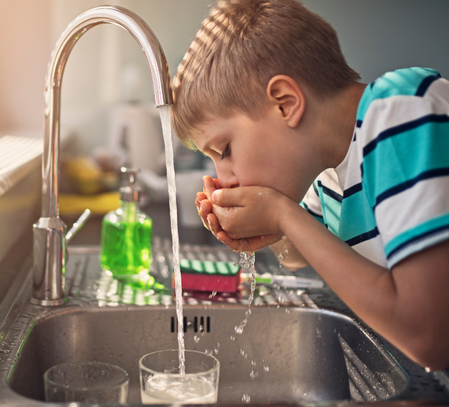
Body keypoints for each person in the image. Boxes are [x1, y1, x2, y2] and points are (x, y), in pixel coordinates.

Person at [171, 0, 449, 370]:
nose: (223, 178)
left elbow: (428, 337)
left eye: (224, 150)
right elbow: (299, 255)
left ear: (285, 104)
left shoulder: (401, 110)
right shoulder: (328, 170)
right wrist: (269, 230)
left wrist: (282, 216)